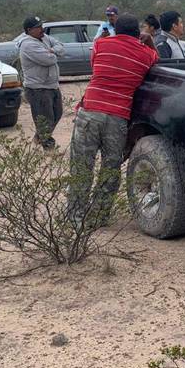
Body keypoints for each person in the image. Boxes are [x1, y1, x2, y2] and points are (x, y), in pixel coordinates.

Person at [68, 13, 158, 225]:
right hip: (118, 118)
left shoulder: (101, 44)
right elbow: (158, 62)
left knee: (81, 166)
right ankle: (99, 216)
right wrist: (150, 42)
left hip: (90, 112)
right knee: (110, 169)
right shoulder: (146, 54)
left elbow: (95, 67)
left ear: (115, 30)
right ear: (138, 33)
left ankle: (75, 217)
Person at [15, 16, 65, 148]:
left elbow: (61, 47)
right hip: (38, 88)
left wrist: (52, 50)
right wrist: (54, 53)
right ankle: (48, 147)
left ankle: (39, 138)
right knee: (45, 119)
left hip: (52, 85)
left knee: (57, 114)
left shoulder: (44, 38)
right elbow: (49, 60)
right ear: (29, 30)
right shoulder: (28, 45)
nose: (41, 29)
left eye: (41, 26)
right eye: (38, 27)